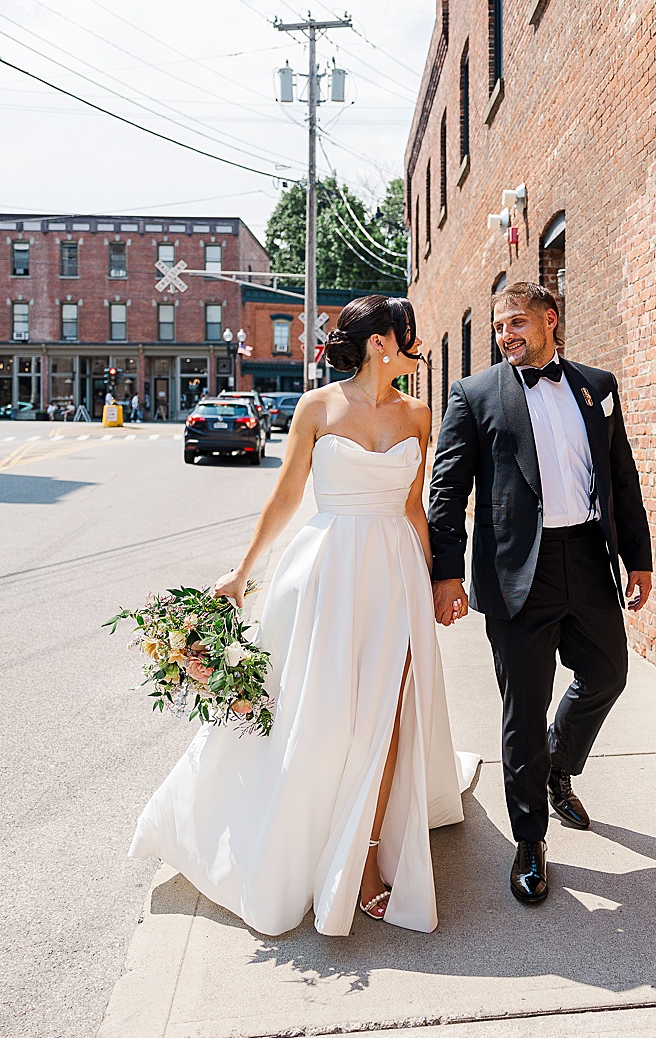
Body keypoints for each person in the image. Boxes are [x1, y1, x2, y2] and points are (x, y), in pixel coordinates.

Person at [131, 297, 478, 934]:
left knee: (389, 717)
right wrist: (243, 571)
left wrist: (438, 582)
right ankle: (307, 837)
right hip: (326, 570)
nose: (419, 344)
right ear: (381, 343)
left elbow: (411, 505)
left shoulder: (419, 414)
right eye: (409, 336)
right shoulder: (316, 407)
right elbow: (288, 492)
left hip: (395, 572)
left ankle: (366, 859)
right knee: (321, 715)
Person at [427, 283, 653, 906]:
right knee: (523, 710)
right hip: (512, 572)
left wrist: (638, 557)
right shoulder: (474, 396)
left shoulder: (596, 387)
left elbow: (621, 478)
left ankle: (559, 764)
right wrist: (446, 574)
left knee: (608, 673)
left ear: (550, 320)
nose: (506, 335)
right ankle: (530, 841)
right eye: (500, 327)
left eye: (517, 323)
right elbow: (446, 493)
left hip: (586, 556)